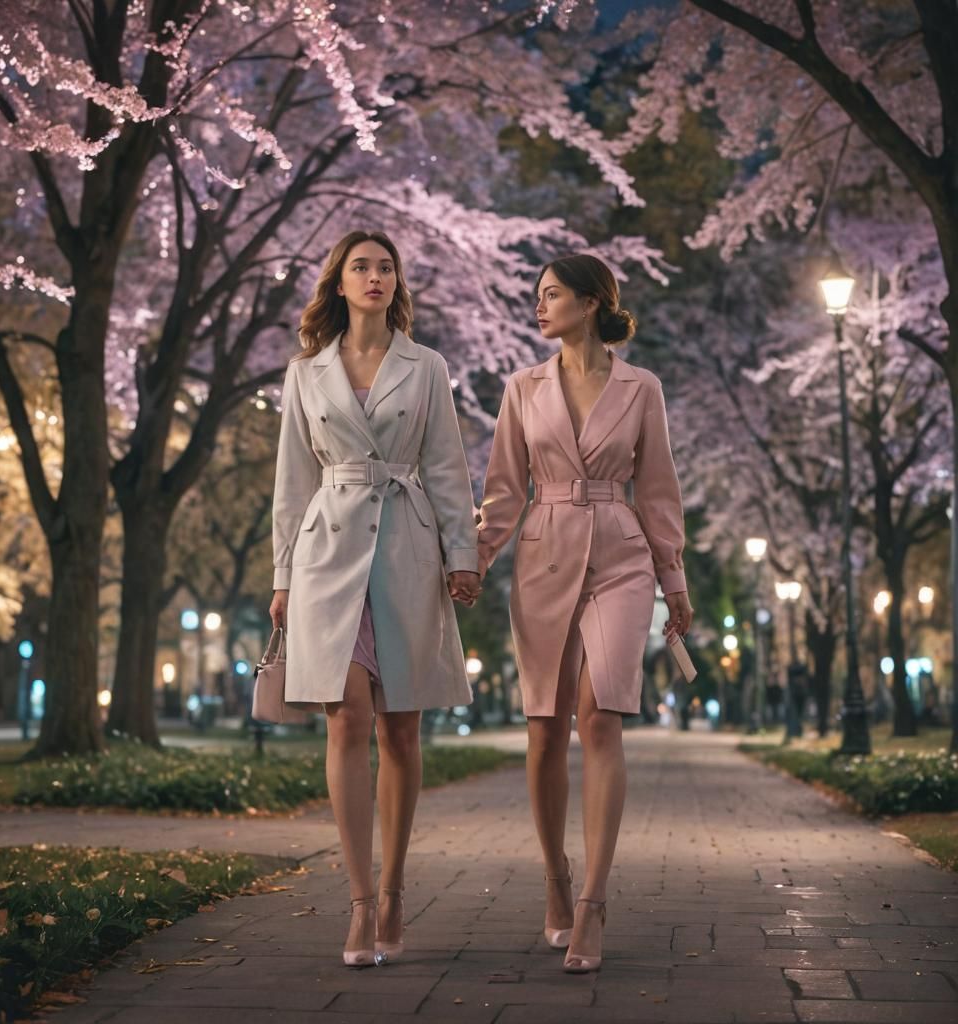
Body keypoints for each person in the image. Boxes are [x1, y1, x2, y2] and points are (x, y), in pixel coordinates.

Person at [269, 230, 481, 968]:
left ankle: (395, 891)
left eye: (386, 266)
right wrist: (283, 576)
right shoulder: (307, 372)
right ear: (339, 281)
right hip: (328, 553)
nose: (376, 276)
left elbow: (449, 467)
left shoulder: (426, 367)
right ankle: (360, 903)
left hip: (406, 550)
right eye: (362, 266)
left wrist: (464, 558)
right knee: (345, 720)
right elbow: (293, 482)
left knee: (400, 732)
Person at [477, 254, 693, 973]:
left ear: (594, 301)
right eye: (538, 295)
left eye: (553, 294)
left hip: (622, 557)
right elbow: (505, 488)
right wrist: (472, 561)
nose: (540, 307)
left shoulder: (641, 388)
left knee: (600, 717)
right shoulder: (522, 387)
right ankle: (556, 880)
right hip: (541, 553)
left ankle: (595, 904)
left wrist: (675, 577)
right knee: (544, 728)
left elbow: (657, 487)